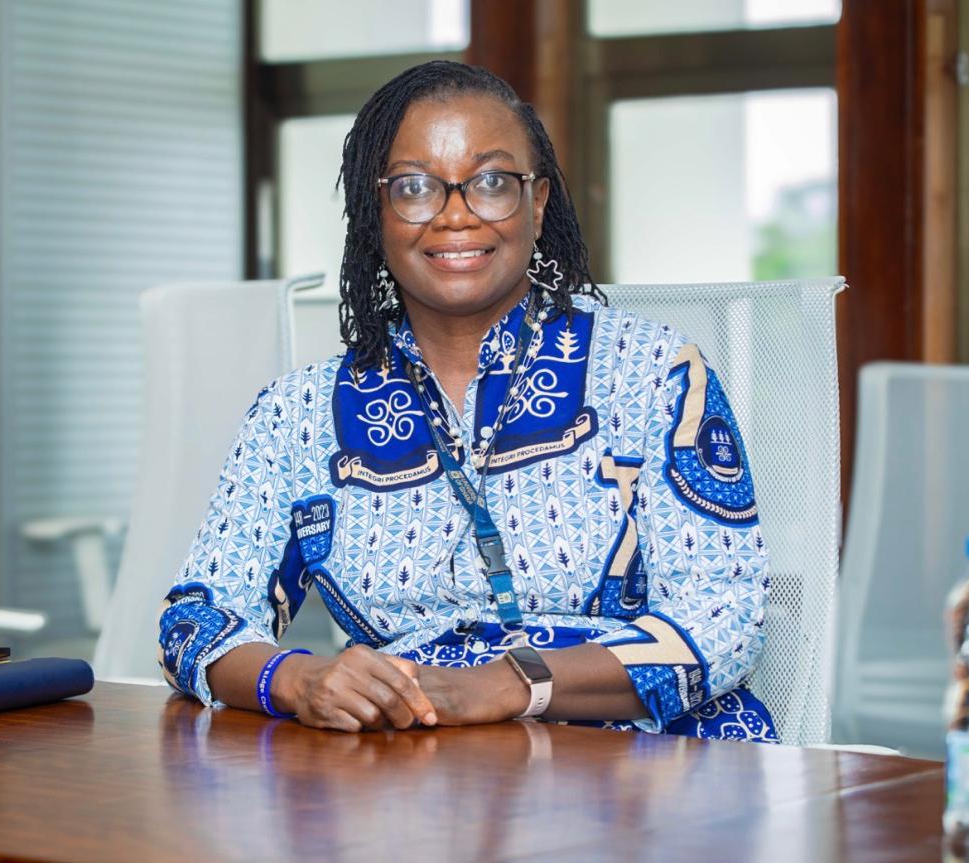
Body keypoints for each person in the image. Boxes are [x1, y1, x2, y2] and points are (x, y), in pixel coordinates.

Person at [157, 61, 777, 742]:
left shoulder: (654, 372)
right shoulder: (295, 413)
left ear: (537, 203)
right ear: (375, 213)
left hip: (641, 769)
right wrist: (300, 680)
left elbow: (726, 617)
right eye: (414, 187)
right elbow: (195, 622)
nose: (455, 214)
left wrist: (509, 683)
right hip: (404, 767)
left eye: (491, 182)